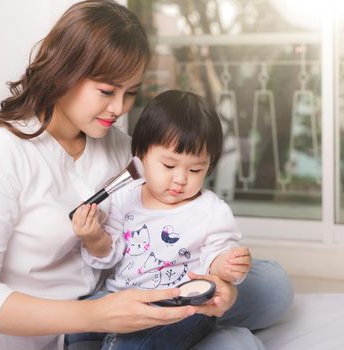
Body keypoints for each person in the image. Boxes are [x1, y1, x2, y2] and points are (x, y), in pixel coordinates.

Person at [0, 1, 293, 350]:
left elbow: (166, 210)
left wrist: (222, 282)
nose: (119, 109)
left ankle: (200, 323)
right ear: (63, 72)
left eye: (130, 93)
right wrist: (97, 315)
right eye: (107, 91)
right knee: (236, 346)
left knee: (271, 286)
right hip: (62, 328)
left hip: (131, 295)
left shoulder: (117, 146)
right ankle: (207, 331)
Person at [69, 90, 252, 350]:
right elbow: (108, 255)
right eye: (169, 166)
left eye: (195, 170)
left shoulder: (211, 211)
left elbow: (216, 258)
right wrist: (93, 236)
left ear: (209, 166)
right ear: (141, 156)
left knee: (132, 344)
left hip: (181, 306)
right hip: (120, 296)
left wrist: (228, 265)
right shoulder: (125, 197)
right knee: (75, 328)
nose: (180, 178)